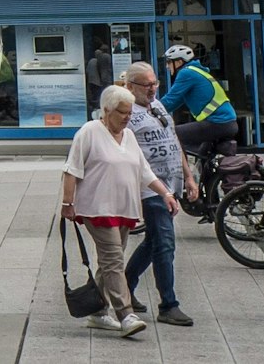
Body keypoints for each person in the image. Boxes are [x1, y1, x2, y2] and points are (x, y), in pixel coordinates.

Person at [62, 85, 181, 338]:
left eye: (129, 112)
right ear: (106, 111)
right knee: (114, 260)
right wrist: (67, 203)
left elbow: (144, 170)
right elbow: (71, 170)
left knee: (110, 262)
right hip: (98, 208)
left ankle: (97, 311)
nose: (127, 117)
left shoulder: (128, 136)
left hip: (125, 207)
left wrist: (165, 194)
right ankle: (126, 314)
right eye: (122, 112)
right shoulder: (89, 132)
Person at [120, 62, 198, 327]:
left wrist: (188, 176)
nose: (152, 89)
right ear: (130, 87)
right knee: (165, 243)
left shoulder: (159, 106)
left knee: (153, 241)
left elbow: (173, 140)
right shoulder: (126, 114)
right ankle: (168, 304)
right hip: (150, 189)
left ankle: (124, 287)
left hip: (171, 185)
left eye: (155, 83)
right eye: (147, 85)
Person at [157, 44, 237, 156]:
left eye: (169, 62)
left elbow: (170, 99)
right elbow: (175, 102)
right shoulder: (197, 71)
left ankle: (183, 172)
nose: (167, 66)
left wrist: (150, 110)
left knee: (172, 134)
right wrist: (159, 111)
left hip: (218, 122)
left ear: (179, 62)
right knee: (202, 155)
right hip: (226, 123)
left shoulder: (186, 73)